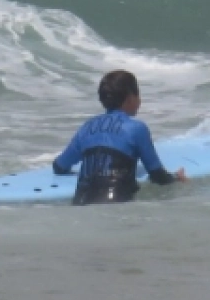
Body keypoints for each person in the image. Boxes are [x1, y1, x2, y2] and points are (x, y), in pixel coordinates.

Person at [53, 70, 187, 205]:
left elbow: (59, 166)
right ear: (130, 98)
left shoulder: (86, 127)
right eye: (138, 95)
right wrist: (176, 177)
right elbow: (158, 176)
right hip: (116, 207)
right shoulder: (137, 128)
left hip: (80, 204)